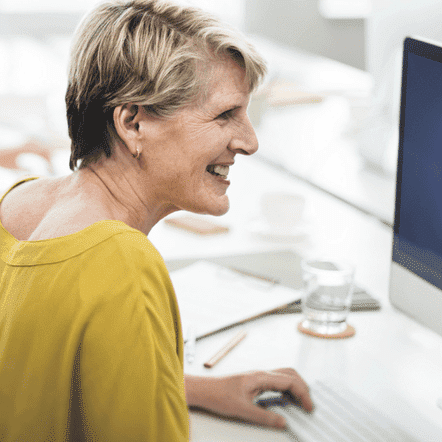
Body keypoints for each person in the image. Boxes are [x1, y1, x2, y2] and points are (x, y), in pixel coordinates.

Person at [0, 0, 313, 440]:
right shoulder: (120, 262)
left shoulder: (17, 204)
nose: (249, 141)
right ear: (132, 123)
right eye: (225, 114)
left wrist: (189, 389)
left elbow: (36, 385)